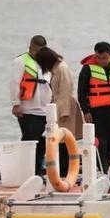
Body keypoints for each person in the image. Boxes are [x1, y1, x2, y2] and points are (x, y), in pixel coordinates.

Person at [35, 47, 84, 177]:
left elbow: (65, 91)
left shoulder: (61, 68)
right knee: (61, 142)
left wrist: (63, 112)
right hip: (60, 106)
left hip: (65, 108)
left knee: (64, 142)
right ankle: (63, 171)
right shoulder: (56, 69)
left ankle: (64, 172)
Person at [78, 42, 110, 174]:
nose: (101, 61)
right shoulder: (88, 68)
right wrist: (85, 110)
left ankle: (104, 169)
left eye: (104, 58)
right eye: (98, 57)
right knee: (101, 143)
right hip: (96, 111)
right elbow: (81, 91)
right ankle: (100, 171)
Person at [10, 35, 51, 175]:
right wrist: (16, 104)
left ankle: (38, 170)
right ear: (32, 47)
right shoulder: (20, 61)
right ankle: (26, 172)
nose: (40, 54)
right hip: (28, 110)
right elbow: (15, 83)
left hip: (46, 110)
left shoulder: (45, 61)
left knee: (42, 143)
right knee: (29, 141)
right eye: (38, 50)